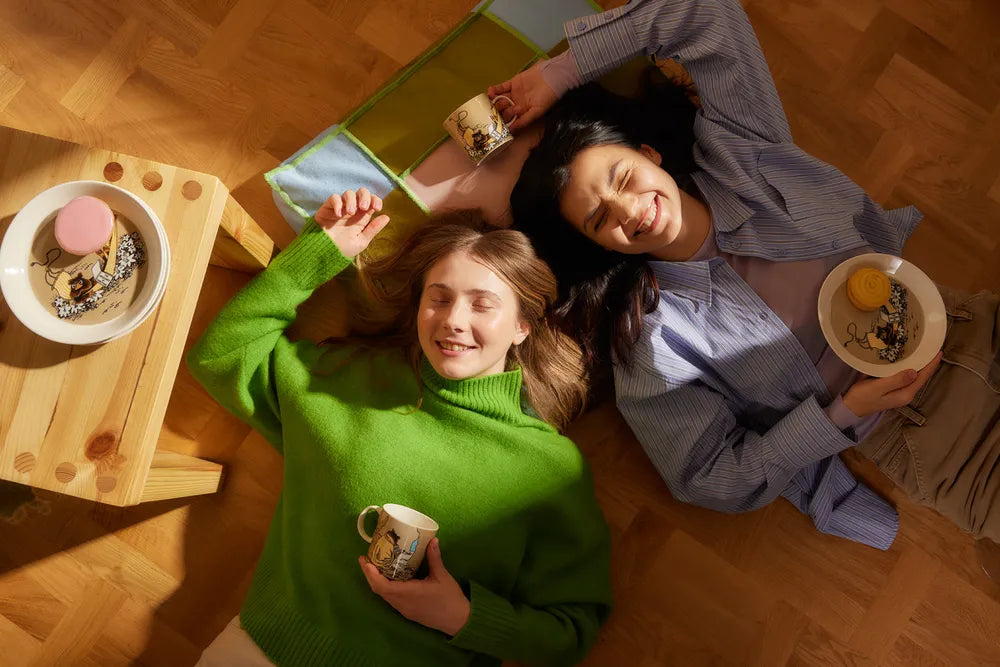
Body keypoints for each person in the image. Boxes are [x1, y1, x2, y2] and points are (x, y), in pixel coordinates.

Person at [490, 0, 1000, 555]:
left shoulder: (741, 153)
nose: (630, 210)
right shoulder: (653, 344)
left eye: (623, 177)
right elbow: (708, 477)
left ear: (649, 153)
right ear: (599, 246)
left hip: (970, 322)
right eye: (599, 220)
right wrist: (842, 415)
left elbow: (705, 12)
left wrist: (557, 73)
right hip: (923, 432)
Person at [187, 188, 612, 666]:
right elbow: (221, 357)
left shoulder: (551, 468)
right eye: (439, 298)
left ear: (522, 327)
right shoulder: (350, 379)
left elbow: (571, 632)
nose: (453, 320)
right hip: (257, 651)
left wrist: (462, 617)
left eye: (482, 304)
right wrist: (318, 254)